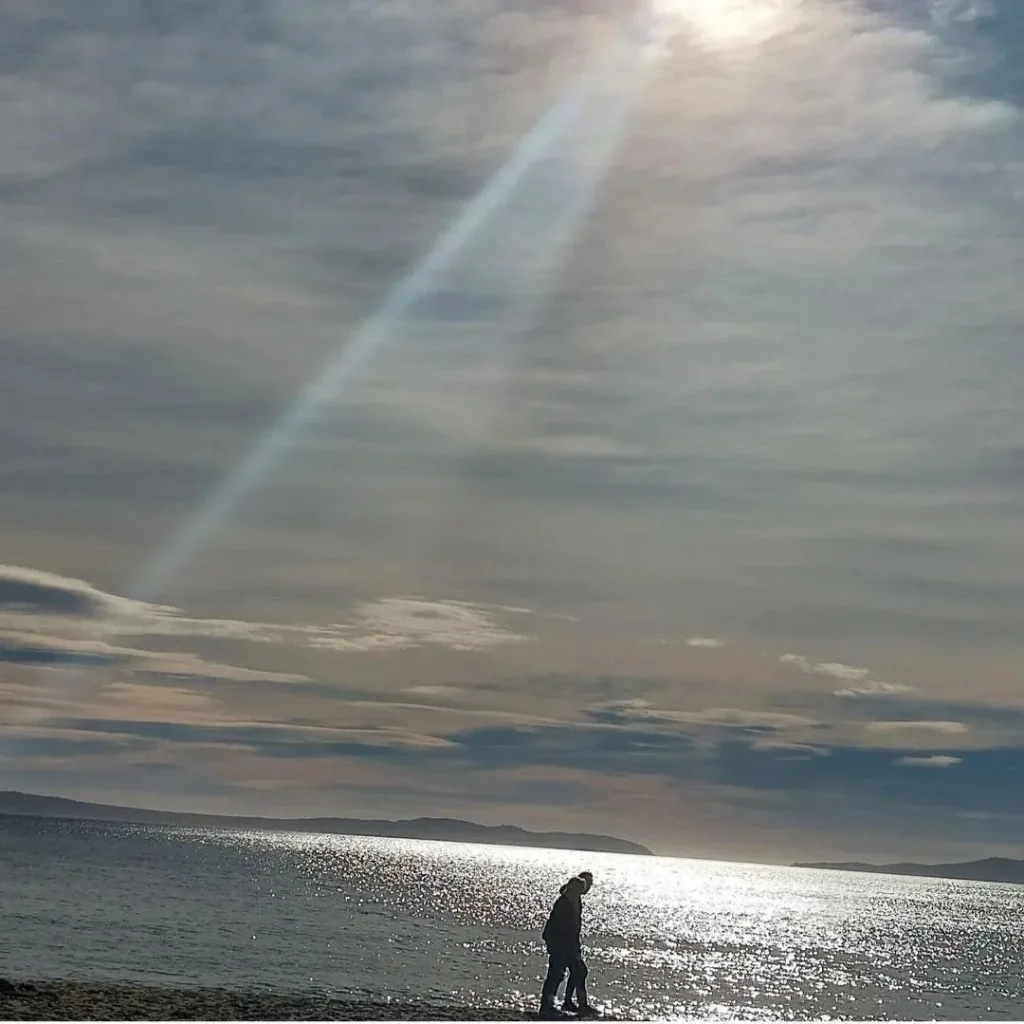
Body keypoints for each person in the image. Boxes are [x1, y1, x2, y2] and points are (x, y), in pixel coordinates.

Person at [538, 873, 595, 1018]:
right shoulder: (564, 903)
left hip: (569, 944)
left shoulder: (574, 901)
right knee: (557, 974)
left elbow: (573, 926)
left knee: (576, 971)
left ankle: (570, 1002)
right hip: (561, 944)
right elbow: (557, 926)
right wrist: (556, 944)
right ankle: (548, 1004)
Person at [562, 871, 593, 1014]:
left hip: (572, 942)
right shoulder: (569, 900)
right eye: (587, 883)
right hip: (567, 943)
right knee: (579, 971)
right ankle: (577, 1003)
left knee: (578, 971)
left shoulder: (576, 899)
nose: (589, 887)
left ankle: (573, 1001)